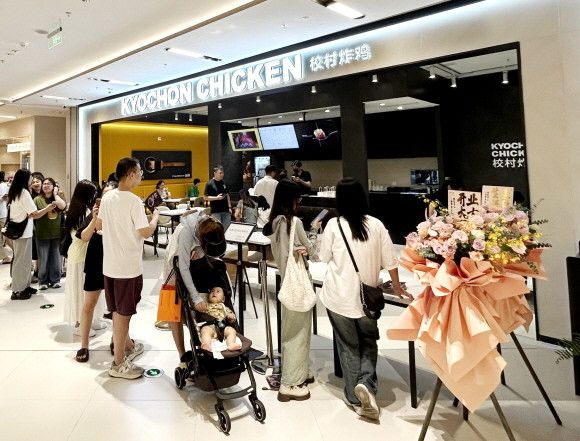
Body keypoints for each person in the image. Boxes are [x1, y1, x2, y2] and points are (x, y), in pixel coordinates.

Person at [319, 178, 412, 420]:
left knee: (348, 346)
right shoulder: (376, 224)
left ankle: (354, 397)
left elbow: (323, 257)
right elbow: (391, 260)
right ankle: (366, 384)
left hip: (338, 296)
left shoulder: (333, 225)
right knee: (369, 341)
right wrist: (398, 287)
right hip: (367, 299)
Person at [96, 157, 159, 379]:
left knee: (116, 310)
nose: (141, 175)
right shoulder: (134, 201)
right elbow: (145, 232)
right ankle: (118, 363)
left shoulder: (107, 197)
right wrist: (155, 218)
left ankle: (128, 344)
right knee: (124, 313)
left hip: (110, 266)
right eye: (140, 172)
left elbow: (99, 224)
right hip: (128, 267)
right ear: (131, 174)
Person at [263, 179, 317, 402]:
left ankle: (299, 371)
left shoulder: (274, 222)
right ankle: (291, 384)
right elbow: (314, 252)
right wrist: (313, 235)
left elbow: (283, 253)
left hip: (286, 281)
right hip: (297, 283)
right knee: (298, 333)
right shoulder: (294, 223)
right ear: (292, 199)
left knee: (290, 331)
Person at [168, 211, 226, 362]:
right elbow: (183, 267)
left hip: (196, 259)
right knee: (174, 309)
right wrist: (195, 297)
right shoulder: (186, 233)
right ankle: (182, 354)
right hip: (175, 266)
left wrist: (200, 252)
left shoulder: (213, 225)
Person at [7, 169, 56, 300]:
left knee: (24, 261)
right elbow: (34, 214)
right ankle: (18, 290)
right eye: (30, 178)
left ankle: (25, 286)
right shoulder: (24, 193)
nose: (32, 180)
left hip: (20, 232)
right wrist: (47, 208)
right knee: (21, 262)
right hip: (23, 233)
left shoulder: (15, 192)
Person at [63, 180, 100, 335]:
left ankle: (88, 321)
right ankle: (80, 324)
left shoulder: (77, 209)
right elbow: (83, 236)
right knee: (81, 291)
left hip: (80, 253)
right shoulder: (82, 212)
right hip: (80, 255)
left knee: (86, 290)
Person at [33, 178, 66, 290]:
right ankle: (43, 281)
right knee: (43, 259)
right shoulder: (37, 199)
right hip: (42, 234)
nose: (46, 186)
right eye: (44, 184)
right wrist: (47, 209)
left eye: (49, 184)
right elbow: (34, 215)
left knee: (56, 259)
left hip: (56, 233)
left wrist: (55, 194)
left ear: (53, 186)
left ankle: (55, 280)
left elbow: (63, 206)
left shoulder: (57, 198)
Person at [199, 286, 241, 351]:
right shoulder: (206, 305)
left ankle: (231, 344)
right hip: (209, 326)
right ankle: (207, 345)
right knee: (205, 331)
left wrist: (231, 317)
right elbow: (197, 309)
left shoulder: (225, 307)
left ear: (223, 299)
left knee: (231, 331)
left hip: (223, 327)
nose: (214, 293)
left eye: (218, 291)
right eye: (212, 291)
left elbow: (232, 318)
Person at [204, 165, 232, 231]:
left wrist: (230, 207)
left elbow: (227, 195)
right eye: (220, 173)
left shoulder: (224, 183)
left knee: (227, 229)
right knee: (218, 229)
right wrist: (216, 198)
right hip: (215, 211)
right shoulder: (209, 184)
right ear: (215, 173)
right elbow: (205, 197)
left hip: (226, 210)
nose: (222, 174)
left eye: (223, 173)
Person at [0, 171, 13, 264]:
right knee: (6, 237)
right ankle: (5, 257)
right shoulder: (5, 185)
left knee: (8, 237)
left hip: (3, 215)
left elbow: (8, 198)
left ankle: (19, 255)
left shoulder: (4, 186)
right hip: (3, 214)